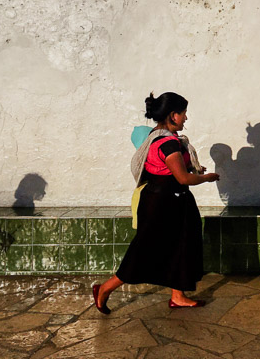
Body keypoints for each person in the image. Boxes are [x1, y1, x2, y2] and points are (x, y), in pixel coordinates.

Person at [92, 92, 220, 312]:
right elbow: (183, 178)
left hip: (171, 200)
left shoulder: (158, 136)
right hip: (163, 203)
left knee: (181, 246)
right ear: (173, 115)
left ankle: (178, 295)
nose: (186, 119)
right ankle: (104, 289)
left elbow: (172, 170)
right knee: (145, 250)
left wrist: (191, 168)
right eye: (184, 114)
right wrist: (207, 178)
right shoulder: (168, 143)